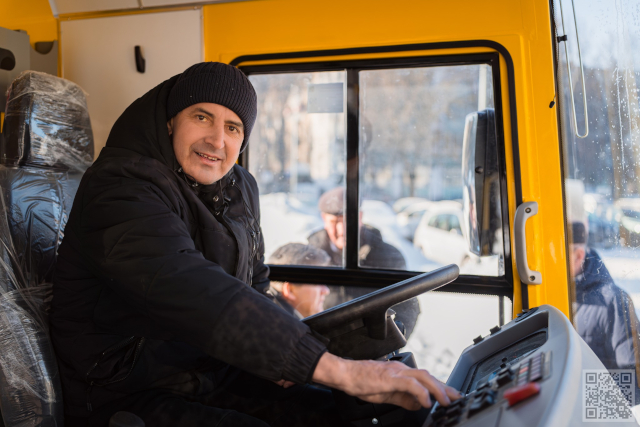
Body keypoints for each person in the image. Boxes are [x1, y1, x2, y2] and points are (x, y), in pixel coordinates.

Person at [50, 62, 460, 427]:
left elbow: (255, 282)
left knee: (339, 411)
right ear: (171, 121)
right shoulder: (120, 186)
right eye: (202, 117)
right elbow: (188, 287)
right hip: (125, 390)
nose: (217, 140)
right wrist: (335, 369)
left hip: (206, 368)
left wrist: (287, 357)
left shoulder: (237, 187)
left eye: (233, 127)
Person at [309, 186, 421, 338]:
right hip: (320, 346)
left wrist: (390, 342)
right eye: (334, 222)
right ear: (323, 219)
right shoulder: (310, 257)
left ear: (360, 217)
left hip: (370, 345)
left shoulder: (388, 256)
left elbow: (407, 306)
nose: (342, 230)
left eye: (348, 221)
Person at [570, 222, 639, 371]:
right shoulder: (546, 294)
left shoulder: (614, 302)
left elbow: (632, 375)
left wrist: (586, 384)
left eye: (555, 254)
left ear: (578, 256)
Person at [267, 243, 331, 318]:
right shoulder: (284, 323)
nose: (326, 291)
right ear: (290, 290)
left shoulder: (273, 315)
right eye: (317, 283)